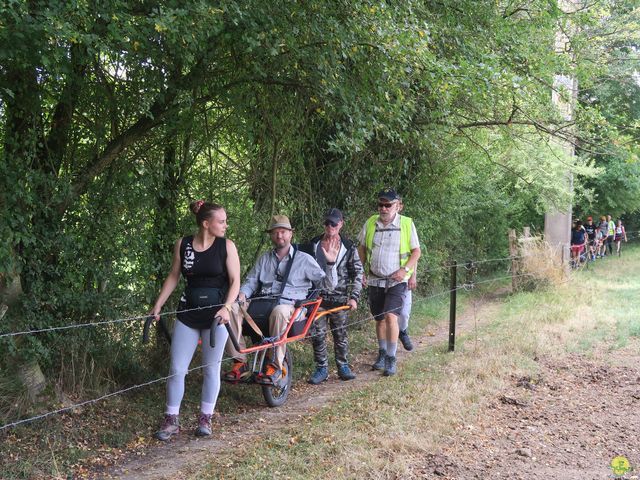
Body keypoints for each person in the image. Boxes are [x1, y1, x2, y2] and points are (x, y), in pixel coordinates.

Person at [150, 201, 241, 441]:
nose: (225, 225)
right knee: (177, 369)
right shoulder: (184, 245)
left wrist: (227, 308)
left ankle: (205, 418)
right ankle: (171, 420)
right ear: (206, 223)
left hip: (216, 318)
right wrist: (158, 304)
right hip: (188, 314)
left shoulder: (227, 246)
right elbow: (173, 275)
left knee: (211, 369)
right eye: (221, 221)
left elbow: (235, 282)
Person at [224, 214, 339, 385]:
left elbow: (328, 285)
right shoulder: (264, 258)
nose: (280, 236)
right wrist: (242, 295)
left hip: (291, 307)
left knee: (279, 311)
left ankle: (275, 365)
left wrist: (330, 264)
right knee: (230, 308)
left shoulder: (304, 259)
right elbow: (251, 282)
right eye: (276, 232)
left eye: (283, 231)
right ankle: (240, 361)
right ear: (271, 235)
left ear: (291, 234)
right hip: (263, 303)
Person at [357, 188, 421, 376]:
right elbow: (361, 248)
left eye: (388, 205)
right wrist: (360, 271)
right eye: (381, 205)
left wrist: (405, 271)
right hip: (375, 279)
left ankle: (391, 359)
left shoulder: (407, 224)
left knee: (391, 317)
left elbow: (416, 252)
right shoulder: (370, 222)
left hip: (397, 281)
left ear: (397, 206)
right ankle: (382, 353)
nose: (384, 208)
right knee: (379, 319)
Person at [299, 208, 364, 384]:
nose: (330, 226)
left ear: (341, 224)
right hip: (317, 298)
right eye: (327, 223)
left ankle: (343, 366)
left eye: (334, 223)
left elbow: (358, 273)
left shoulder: (349, 247)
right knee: (317, 334)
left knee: (340, 334)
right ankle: (321, 369)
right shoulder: (313, 245)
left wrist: (354, 297)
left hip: (340, 299)